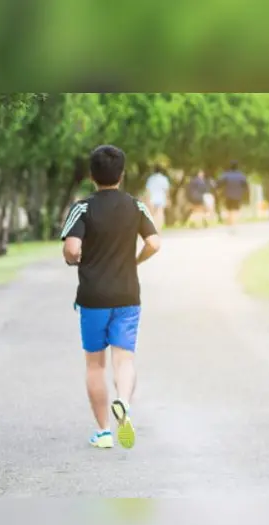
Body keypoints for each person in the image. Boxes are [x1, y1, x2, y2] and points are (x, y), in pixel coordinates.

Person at [60, 145, 161, 450]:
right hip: (128, 294)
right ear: (122, 174)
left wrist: (76, 260)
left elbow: (72, 249)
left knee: (95, 365)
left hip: (93, 297)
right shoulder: (136, 206)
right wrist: (135, 261)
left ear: (92, 176)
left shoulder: (83, 208)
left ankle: (104, 431)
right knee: (124, 358)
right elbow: (154, 243)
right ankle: (124, 402)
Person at [217, 161, 249, 227]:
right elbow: (245, 186)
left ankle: (230, 221)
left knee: (229, 209)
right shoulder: (241, 175)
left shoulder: (226, 175)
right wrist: (246, 195)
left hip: (228, 195)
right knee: (236, 209)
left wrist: (219, 191)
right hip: (238, 195)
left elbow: (219, 183)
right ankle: (233, 222)